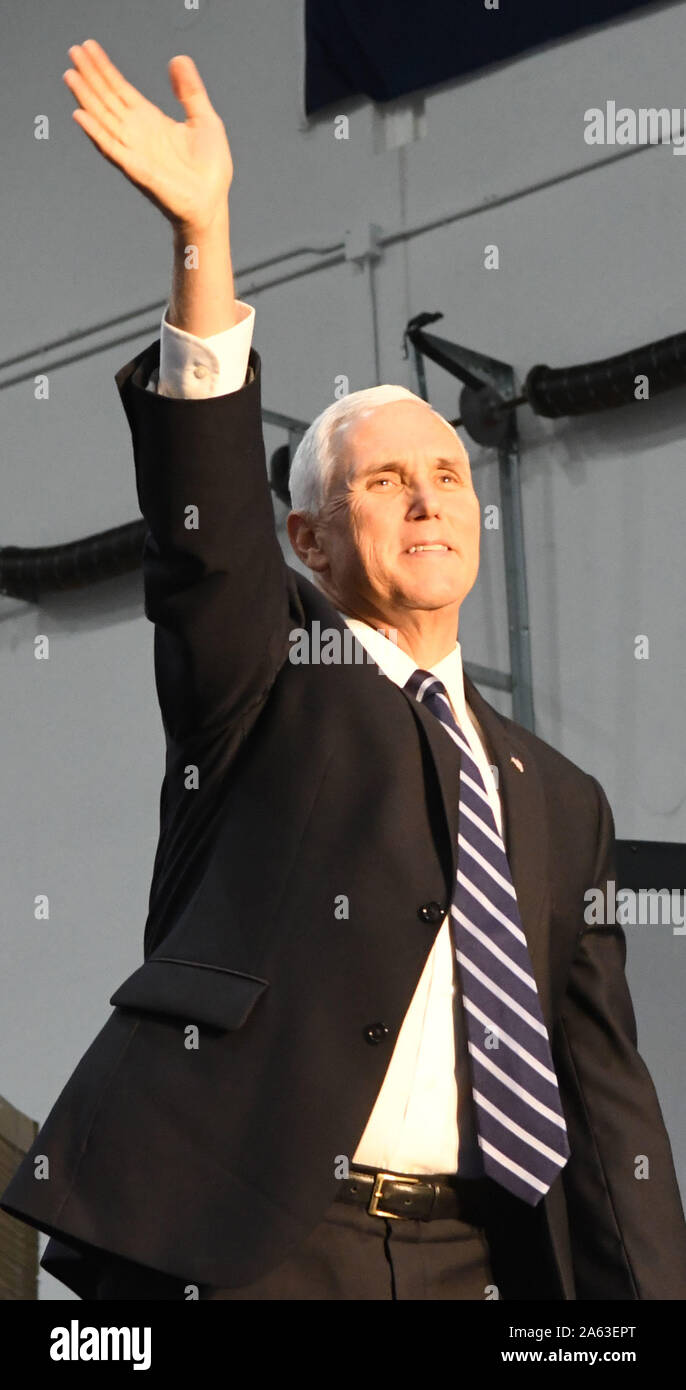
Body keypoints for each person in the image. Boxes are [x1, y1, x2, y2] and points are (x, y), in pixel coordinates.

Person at [2, 40, 686, 1302]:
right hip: (256, 1241)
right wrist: (204, 230)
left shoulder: (558, 799)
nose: (428, 498)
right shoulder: (265, 674)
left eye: (444, 475)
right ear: (309, 537)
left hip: (470, 1257)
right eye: (381, 479)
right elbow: (203, 524)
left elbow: (605, 1100)